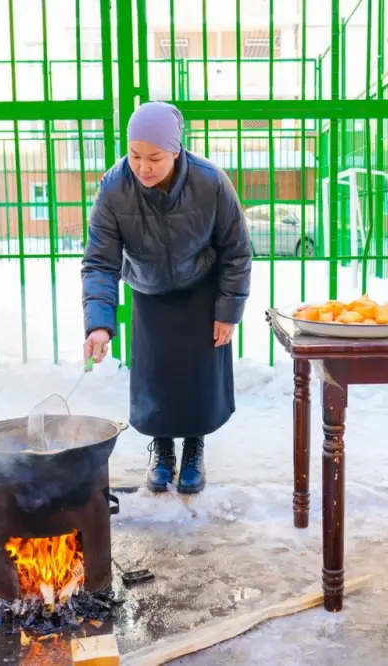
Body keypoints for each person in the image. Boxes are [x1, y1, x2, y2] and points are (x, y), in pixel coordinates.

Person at [80, 101, 252, 495]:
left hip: (202, 289)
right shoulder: (114, 188)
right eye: (135, 155)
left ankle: (193, 448)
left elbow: (237, 251)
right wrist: (100, 324)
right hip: (149, 289)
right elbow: (99, 263)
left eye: (154, 157)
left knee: (197, 378)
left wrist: (228, 310)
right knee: (154, 377)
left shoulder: (210, 182)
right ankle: (161, 450)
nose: (143, 167)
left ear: (176, 150)